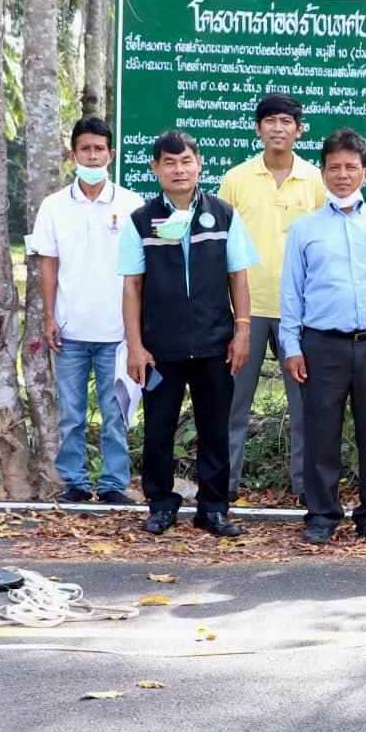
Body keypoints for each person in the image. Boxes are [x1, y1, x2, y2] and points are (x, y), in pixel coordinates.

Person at [280, 129, 366, 545]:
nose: (343, 174)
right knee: (320, 430)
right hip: (322, 344)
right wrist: (292, 346)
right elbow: (292, 292)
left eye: (351, 167)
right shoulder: (305, 230)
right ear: (323, 174)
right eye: (334, 167)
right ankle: (322, 514)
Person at [120, 131, 259, 537]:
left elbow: (239, 276)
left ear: (199, 164)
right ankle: (161, 505)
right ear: (155, 168)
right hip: (160, 348)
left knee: (216, 427)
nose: (178, 170)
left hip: (216, 344)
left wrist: (243, 330)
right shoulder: (141, 220)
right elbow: (132, 287)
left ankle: (214, 509)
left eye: (185, 161)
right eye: (169, 163)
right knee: (158, 428)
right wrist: (135, 346)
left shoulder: (223, 214)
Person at [30, 117, 145, 506]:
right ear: (72, 155)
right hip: (70, 330)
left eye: (99, 149)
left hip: (118, 333)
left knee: (116, 414)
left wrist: (138, 331)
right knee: (71, 414)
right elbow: (49, 263)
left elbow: (140, 272)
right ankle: (75, 482)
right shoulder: (54, 206)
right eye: (85, 149)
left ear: (111, 154)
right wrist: (48, 316)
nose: (92, 156)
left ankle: (114, 483)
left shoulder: (132, 205)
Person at [218, 93, 326, 503]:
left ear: (299, 129)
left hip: (301, 313)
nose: (278, 128)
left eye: (286, 121)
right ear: (257, 128)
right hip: (244, 311)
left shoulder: (315, 179)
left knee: (306, 408)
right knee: (233, 407)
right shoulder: (237, 178)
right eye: (270, 121)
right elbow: (221, 246)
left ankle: (306, 489)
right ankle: (224, 489)